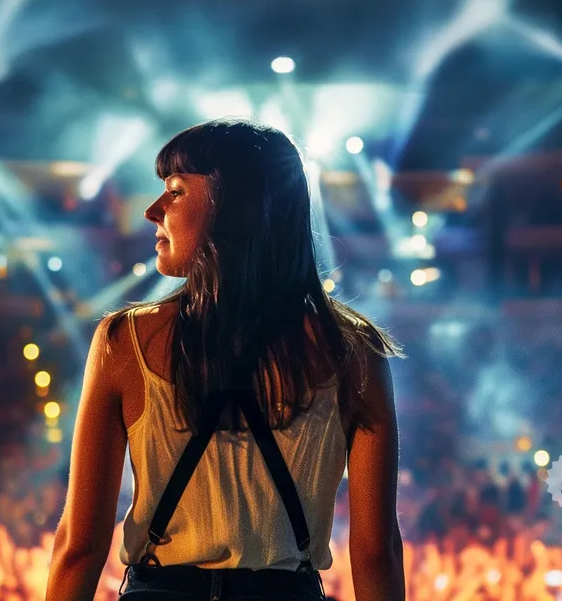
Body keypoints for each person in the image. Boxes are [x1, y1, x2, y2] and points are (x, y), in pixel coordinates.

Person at [46, 119, 406, 601]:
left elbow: (80, 545)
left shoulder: (124, 341)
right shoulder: (353, 351)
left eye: (175, 191)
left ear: (233, 207)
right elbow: (376, 551)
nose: (153, 211)